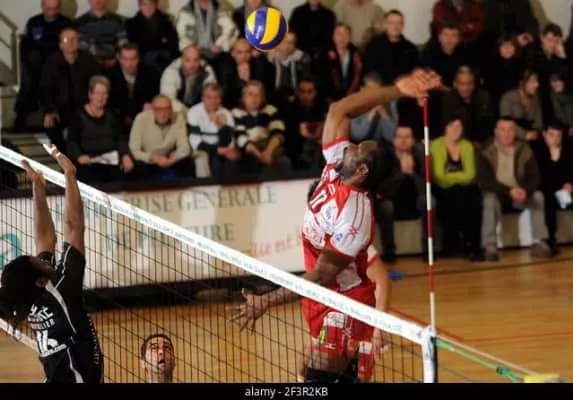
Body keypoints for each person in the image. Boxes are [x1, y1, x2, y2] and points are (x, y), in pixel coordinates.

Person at [227, 69, 442, 383]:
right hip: (321, 300)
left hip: (346, 303)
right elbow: (340, 109)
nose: (350, 146)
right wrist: (398, 90)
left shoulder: (354, 216)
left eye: (358, 148)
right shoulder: (336, 164)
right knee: (321, 375)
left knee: (318, 378)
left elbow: (320, 276)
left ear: (362, 169)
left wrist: (266, 301)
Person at [0, 146, 103, 383]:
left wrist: (38, 188)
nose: (42, 258)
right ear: (39, 281)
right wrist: (70, 175)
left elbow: (44, 238)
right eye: (38, 261)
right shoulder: (62, 289)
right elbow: (73, 227)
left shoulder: (29, 297)